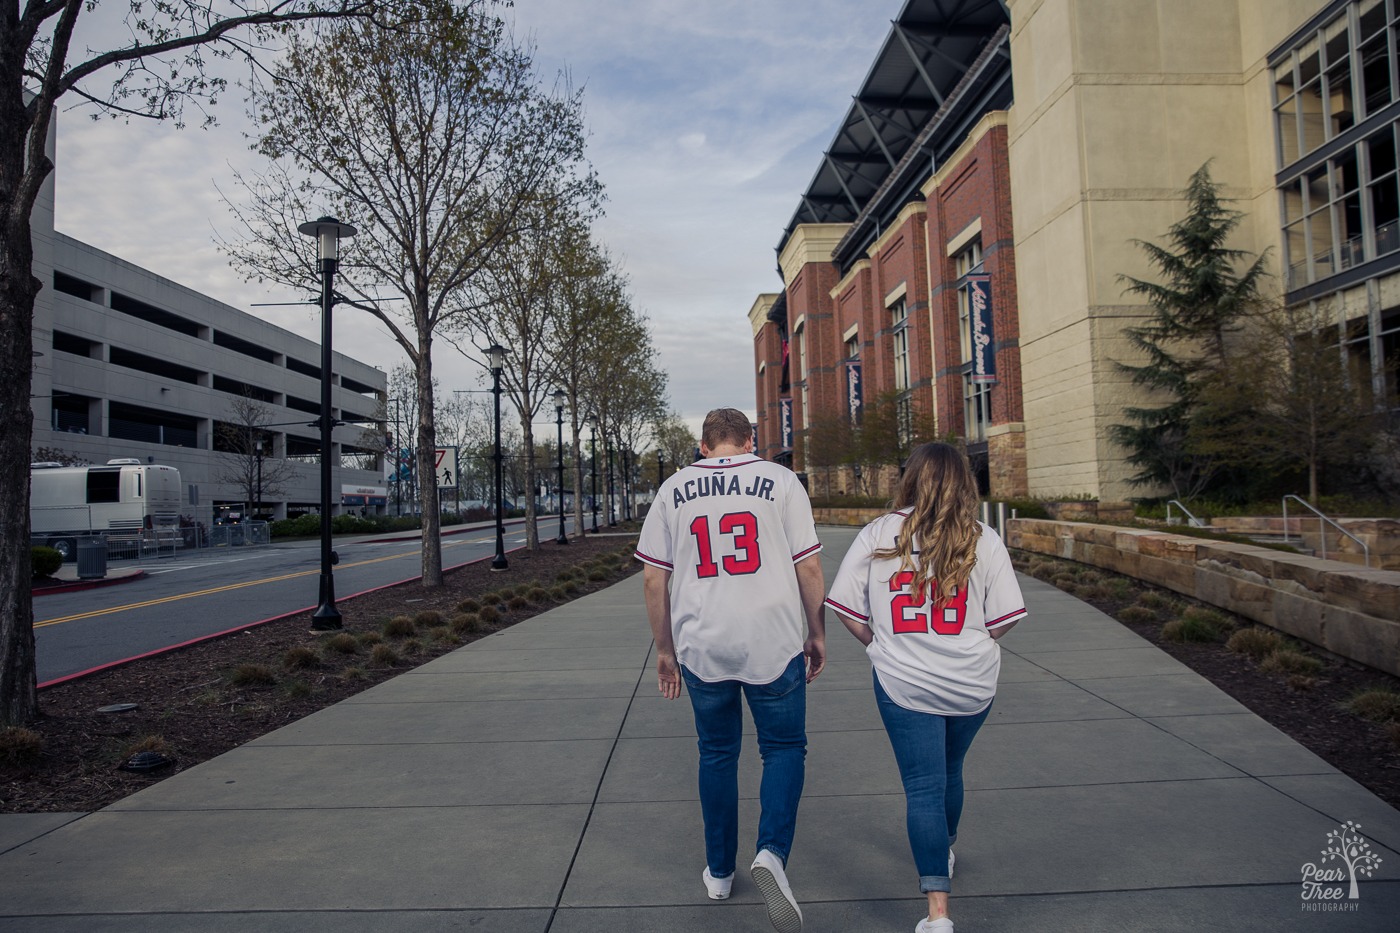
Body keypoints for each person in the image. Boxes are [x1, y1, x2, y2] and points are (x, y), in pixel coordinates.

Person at [636, 407, 826, 933]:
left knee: (717, 753)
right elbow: (807, 565)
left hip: (704, 642)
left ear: (702, 445)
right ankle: (771, 854)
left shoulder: (674, 489)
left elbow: (655, 580)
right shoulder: (781, 480)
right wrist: (817, 631)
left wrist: (664, 649)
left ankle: (719, 871)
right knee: (783, 748)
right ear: (750, 441)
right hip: (772, 638)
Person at [823, 443, 1027, 933]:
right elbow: (1004, 621)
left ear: (911, 478)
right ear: (964, 482)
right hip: (972, 683)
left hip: (904, 680)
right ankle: (945, 844)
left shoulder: (879, 533)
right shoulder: (983, 537)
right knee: (949, 771)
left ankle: (938, 913)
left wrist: (879, 644)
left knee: (923, 787)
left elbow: (846, 608)